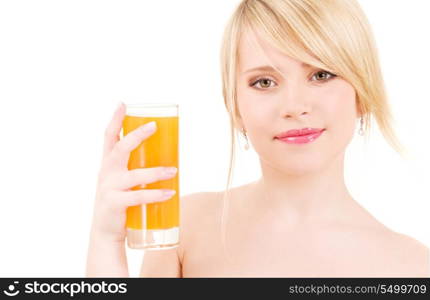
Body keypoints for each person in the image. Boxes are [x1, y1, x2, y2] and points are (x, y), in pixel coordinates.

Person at [86, 0, 429, 277]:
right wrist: (106, 242)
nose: (295, 107)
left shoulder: (414, 267)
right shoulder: (186, 228)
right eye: (264, 82)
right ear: (235, 107)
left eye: (321, 74)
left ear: (362, 93)